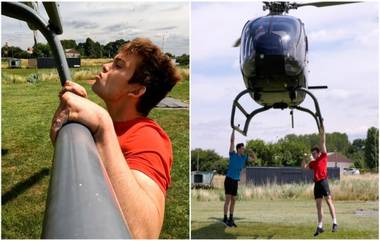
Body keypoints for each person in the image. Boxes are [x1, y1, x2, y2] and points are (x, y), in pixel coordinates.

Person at [50, 38, 181, 239]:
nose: (106, 65)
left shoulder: (149, 138)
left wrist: (103, 125)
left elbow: (145, 232)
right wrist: (70, 123)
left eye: (118, 65)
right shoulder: (108, 125)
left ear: (136, 90)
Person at [301, 127, 338, 236]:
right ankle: (320, 225)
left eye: (314, 153)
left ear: (318, 153)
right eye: (311, 154)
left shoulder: (323, 156)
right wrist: (304, 158)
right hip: (317, 184)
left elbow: (323, 141)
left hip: (323, 182)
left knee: (329, 202)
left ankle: (335, 222)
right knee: (318, 206)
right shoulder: (313, 162)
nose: (313, 155)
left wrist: (322, 131)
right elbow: (304, 167)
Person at [223, 128, 256, 227]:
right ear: (238, 149)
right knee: (228, 199)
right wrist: (233, 130)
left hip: (235, 181)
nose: (243, 149)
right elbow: (232, 141)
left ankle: (231, 218)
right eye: (242, 148)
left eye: (244, 148)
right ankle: (225, 218)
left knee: (234, 200)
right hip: (229, 179)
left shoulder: (244, 157)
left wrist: (251, 151)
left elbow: (254, 159)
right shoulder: (232, 154)